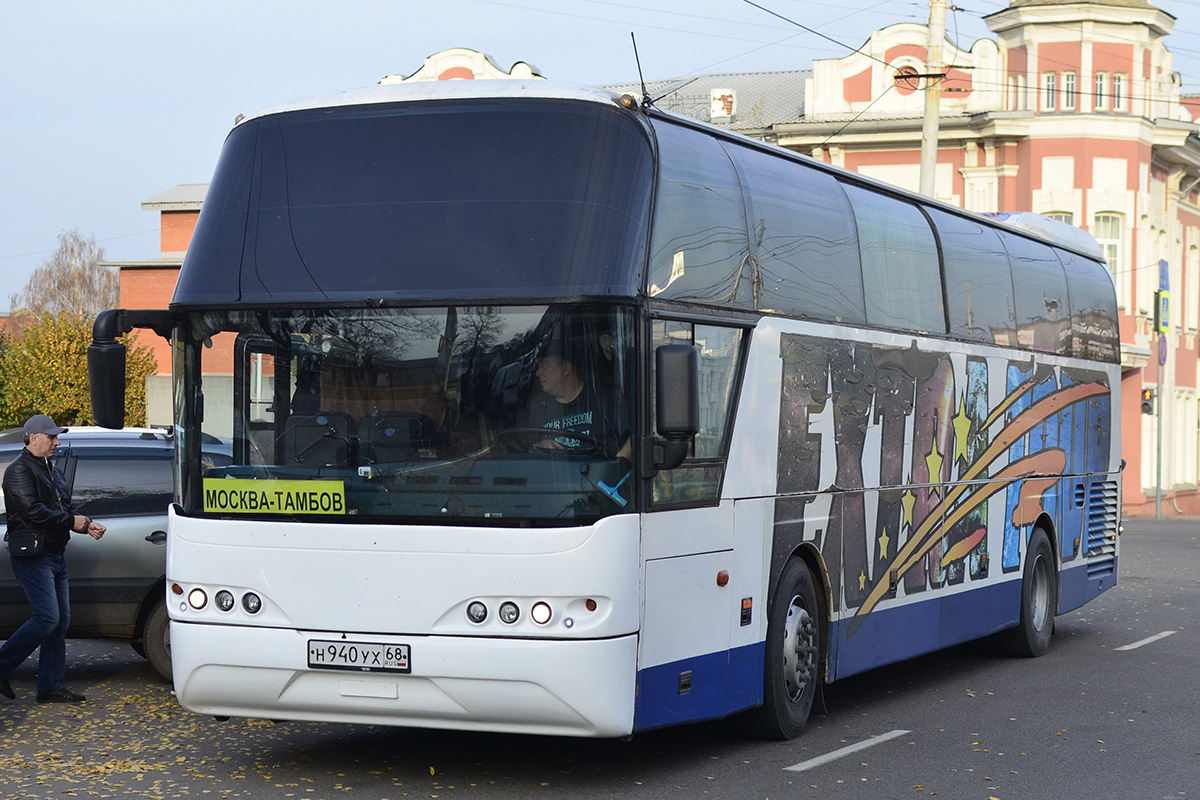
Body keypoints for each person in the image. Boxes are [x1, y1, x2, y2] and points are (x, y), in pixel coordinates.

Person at [0, 414, 106, 703]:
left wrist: (87, 524)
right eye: (51, 437)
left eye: (56, 437)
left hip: (55, 555)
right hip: (33, 556)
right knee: (47, 618)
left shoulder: (50, 468)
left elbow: (66, 508)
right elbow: (32, 511)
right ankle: (2, 665)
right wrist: (74, 522)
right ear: (33, 439)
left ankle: (50, 686)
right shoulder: (18, 471)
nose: (57, 442)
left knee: (59, 623)